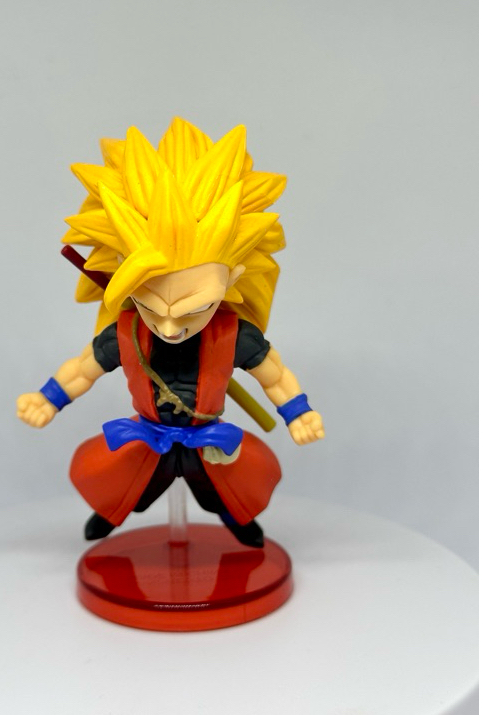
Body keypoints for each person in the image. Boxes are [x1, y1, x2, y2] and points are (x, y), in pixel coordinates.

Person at [17, 118, 324, 547]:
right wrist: (47, 398)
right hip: (148, 437)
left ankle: (236, 518)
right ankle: (111, 514)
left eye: (192, 310)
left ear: (233, 279)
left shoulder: (233, 335)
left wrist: (299, 412)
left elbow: (274, 375)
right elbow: (83, 370)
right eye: (149, 306)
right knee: (125, 488)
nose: (168, 328)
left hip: (207, 439)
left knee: (227, 492)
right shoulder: (127, 334)